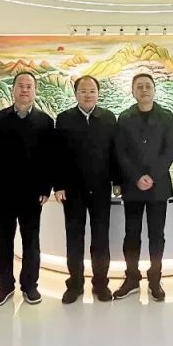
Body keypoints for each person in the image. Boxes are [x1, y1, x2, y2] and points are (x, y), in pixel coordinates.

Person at [0, 72, 55, 307]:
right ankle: (4, 286)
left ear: (35, 91)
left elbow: (49, 158)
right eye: (20, 86)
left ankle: (30, 286)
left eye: (29, 86)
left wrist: (45, 188)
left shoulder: (45, 121)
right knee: (4, 240)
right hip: (3, 192)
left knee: (31, 240)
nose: (24, 90)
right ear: (13, 90)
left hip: (32, 194)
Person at [53, 75, 120, 304]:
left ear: (98, 93)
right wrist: (58, 185)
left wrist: (117, 181)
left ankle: (101, 284)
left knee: (101, 238)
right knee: (74, 238)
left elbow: (114, 153)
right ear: (76, 94)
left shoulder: (108, 118)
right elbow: (57, 155)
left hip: (101, 189)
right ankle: (75, 285)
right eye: (83, 91)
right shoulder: (64, 119)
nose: (88, 95)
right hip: (73, 191)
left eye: (92, 91)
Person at [113, 72, 173, 302]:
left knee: (157, 235)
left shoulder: (166, 116)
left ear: (154, 90)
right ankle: (131, 278)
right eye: (139, 86)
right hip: (132, 187)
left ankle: (155, 279)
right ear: (133, 91)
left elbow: (170, 150)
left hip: (158, 187)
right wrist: (136, 177)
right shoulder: (124, 117)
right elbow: (120, 152)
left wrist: (152, 176)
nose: (144, 90)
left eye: (148, 86)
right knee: (131, 234)